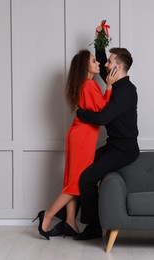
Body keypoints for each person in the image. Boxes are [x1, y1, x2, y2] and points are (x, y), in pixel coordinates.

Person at [33, 49, 117, 240]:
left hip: (79, 135)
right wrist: (110, 86)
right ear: (85, 67)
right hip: (83, 137)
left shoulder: (86, 84)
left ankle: (70, 221)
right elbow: (103, 110)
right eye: (94, 61)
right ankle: (47, 215)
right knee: (76, 181)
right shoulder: (89, 85)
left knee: (74, 178)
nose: (99, 64)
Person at [73, 25, 140, 240]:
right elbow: (102, 59)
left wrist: (81, 113)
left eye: (110, 62)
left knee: (87, 178)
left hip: (125, 150)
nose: (104, 64)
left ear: (118, 68)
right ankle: (73, 221)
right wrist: (101, 38)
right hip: (114, 145)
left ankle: (93, 227)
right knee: (83, 172)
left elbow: (101, 118)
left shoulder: (126, 92)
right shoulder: (115, 83)